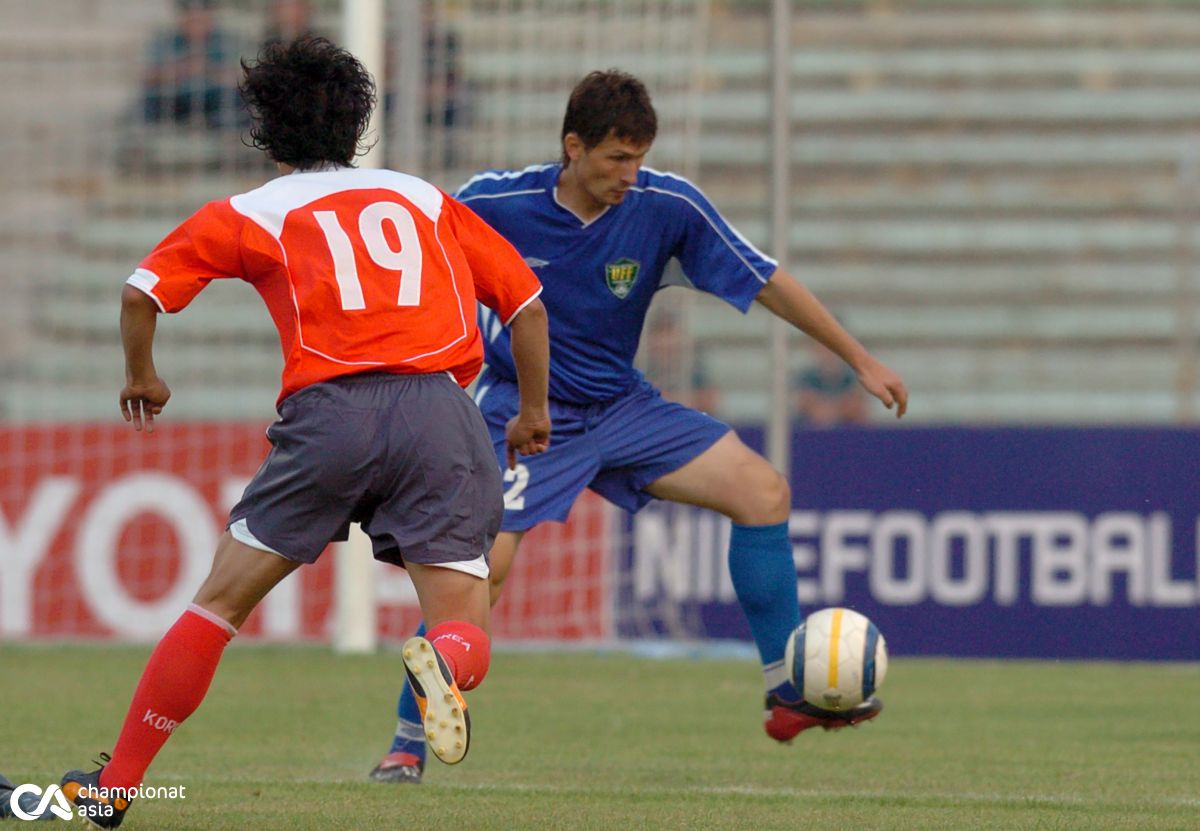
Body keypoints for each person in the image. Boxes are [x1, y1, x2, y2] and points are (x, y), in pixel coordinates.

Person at [57, 37, 550, 828]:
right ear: (359, 124)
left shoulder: (252, 211)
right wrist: (533, 411)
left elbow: (141, 289)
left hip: (330, 421)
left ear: (266, 131)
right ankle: (441, 665)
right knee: (466, 623)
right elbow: (525, 302)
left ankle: (115, 785)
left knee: (216, 607)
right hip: (438, 413)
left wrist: (142, 374)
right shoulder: (422, 198)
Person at [369, 69, 908, 785]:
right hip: (526, 412)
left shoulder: (667, 205)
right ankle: (407, 743)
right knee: (480, 573)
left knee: (761, 491)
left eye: (639, 158)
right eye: (616, 158)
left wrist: (859, 358)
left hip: (622, 407)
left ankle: (787, 690)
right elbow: (414, 265)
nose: (630, 174)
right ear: (573, 146)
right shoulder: (495, 202)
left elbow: (765, 277)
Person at [141, 0, 242, 129]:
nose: (196, 23)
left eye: (200, 18)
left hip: (215, 97)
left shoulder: (226, 41)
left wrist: (207, 69)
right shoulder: (166, 40)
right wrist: (183, 69)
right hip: (176, 97)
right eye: (191, 18)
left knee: (236, 101)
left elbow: (240, 78)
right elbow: (148, 76)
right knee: (147, 101)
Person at [795, 339, 869, 426]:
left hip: (846, 432)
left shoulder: (854, 376)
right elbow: (805, 404)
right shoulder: (806, 377)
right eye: (823, 346)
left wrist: (829, 411)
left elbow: (856, 406)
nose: (828, 351)